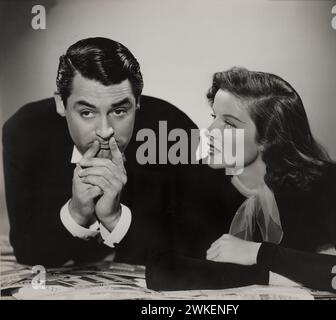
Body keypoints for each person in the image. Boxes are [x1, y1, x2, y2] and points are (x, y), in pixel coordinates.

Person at [146, 68, 336, 298]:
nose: (210, 132)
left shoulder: (322, 184)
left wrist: (258, 252)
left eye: (229, 124)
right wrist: (271, 275)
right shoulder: (196, 179)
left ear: (269, 138)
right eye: (213, 117)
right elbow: (161, 270)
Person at [2, 37, 196, 267]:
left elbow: (195, 248)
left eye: (120, 111)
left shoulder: (171, 131)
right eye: (87, 113)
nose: (105, 131)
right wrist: (76, 213)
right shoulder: (25, 130)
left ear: (137, 102)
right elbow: (29, 252)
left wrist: (114, 218)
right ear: (61, 105)